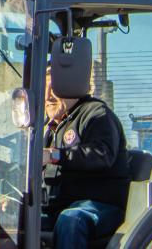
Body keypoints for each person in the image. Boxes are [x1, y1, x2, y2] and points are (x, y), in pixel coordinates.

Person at [42, 67, 130, 248]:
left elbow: (101, 154)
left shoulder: (96, 115)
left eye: (54, 89)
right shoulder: (50, 128)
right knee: (15, 219)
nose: (48, 96)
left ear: (72, 87)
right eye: (44, 90)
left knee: (71, 220)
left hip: (100, 205)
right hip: (59, 206)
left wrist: (55, 155)